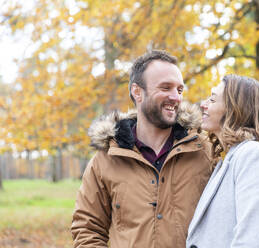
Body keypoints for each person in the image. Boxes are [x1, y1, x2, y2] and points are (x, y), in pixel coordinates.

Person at [71, 50, 212, 248]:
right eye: (166, 88)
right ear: (137, 92)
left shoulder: (205, 149)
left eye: (179, 90)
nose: (176, 97)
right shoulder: (106, 158)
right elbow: (87, 228)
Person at [186, 74, 259, 248]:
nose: (203, 104)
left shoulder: (254, 156)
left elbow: (253, 240)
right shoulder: (230, 159)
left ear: (235, 109)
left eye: (212, 100)